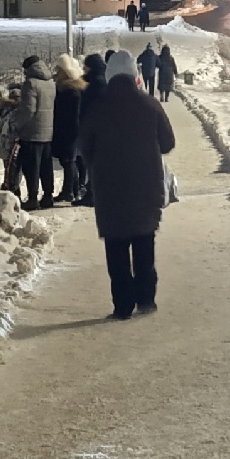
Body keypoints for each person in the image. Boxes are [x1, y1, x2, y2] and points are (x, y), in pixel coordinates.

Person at [76, 49, 174, 318]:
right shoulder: (150, 105)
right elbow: (168, 143)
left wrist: (99, 165)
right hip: (146, 187)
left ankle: (122, 306)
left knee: (116, 250)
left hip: (109, 190)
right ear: (135, 74)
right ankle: (146, 300)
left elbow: (85, 146)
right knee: (144, 243)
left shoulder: (98, 107)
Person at [11, 55, 55, 207]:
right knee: (46, 166)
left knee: (31, 167)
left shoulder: (30, 84)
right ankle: (48, 196)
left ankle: (32, 198)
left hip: (32, 133)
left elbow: (28, 110)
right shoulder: (50, 82)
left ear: (28, 68)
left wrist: (18, 126)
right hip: (48, 131)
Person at [51, 54, 87, 205]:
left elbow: (72, 115)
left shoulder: (70, 91)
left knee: (68, 161)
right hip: (69, 131)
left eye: (59, 70)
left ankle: (70, 191)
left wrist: (71, 132)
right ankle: (72, 189)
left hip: (69, 131)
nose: (56, 72)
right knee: (69, 161)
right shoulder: (71, 89)